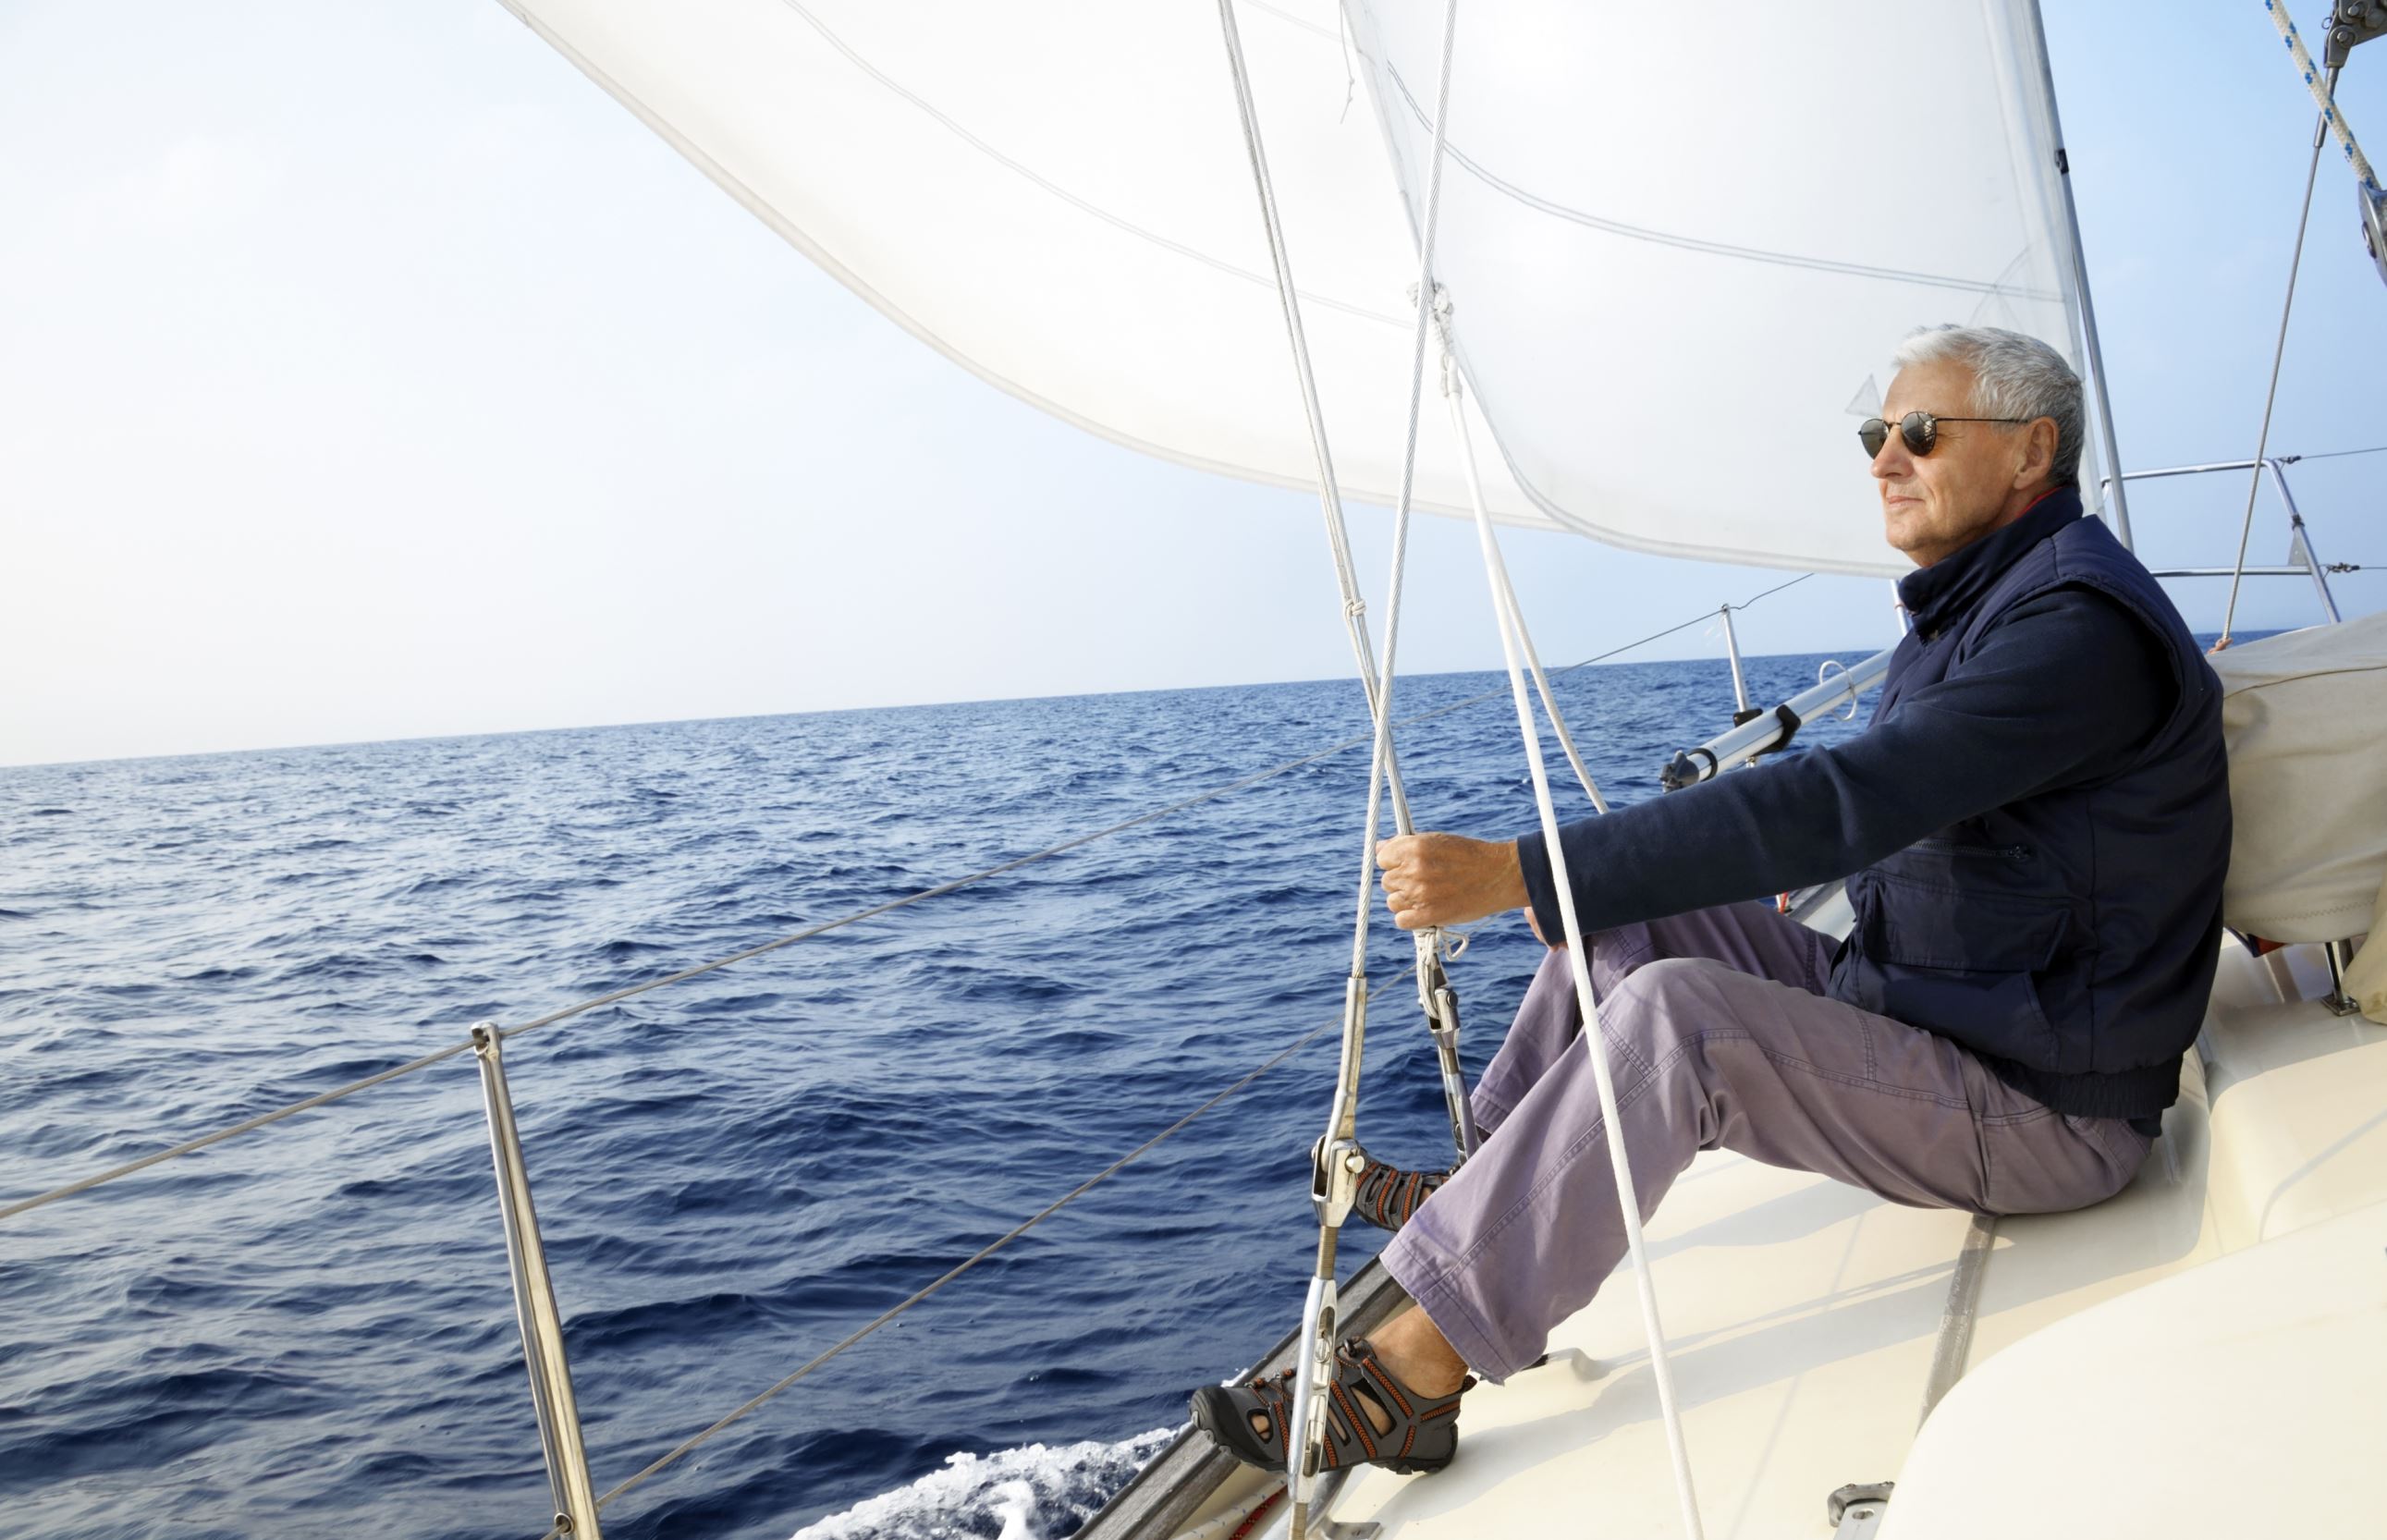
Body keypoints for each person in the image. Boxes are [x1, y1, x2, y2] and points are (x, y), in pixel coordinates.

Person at [1189, 324, 2231, 1476]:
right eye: (1874, 435)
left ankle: (1416, 1378)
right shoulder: (1983, 603)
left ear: (2032, 449)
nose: (1884, 457)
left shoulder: (2074, 629)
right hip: (1935, 997)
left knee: (1680, 1019)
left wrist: (1525, 871)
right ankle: (1490, 1178)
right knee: (1628, 926)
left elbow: (1853, 795)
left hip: (2044, 1102)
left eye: (1919, 433)